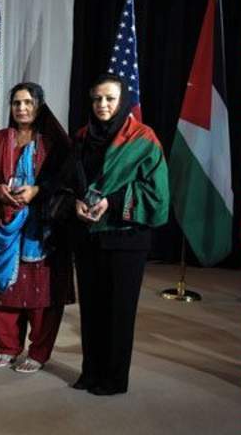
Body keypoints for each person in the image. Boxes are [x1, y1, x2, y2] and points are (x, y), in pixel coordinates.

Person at [71, 73, 169, 395]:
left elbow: (157, 194)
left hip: (125, 239)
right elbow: (70, 181)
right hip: (89, 235)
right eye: (97, 99)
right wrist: (75, 202)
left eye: (110, 98)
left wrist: (110, 202)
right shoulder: (82, 137)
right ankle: (90, 372)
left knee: (118, 311)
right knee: (91, 309)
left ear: (123, 101)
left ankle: (113, 379)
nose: (102, 104)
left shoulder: (143, 138)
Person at [0, 82, 74, 372]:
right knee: (3, 287)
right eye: (16, 103)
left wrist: (37, 191)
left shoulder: (53, 143)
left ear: (39, 106)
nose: (21, 108)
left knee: (40, 292)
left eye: (28, 102)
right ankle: (6, 347)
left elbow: (67, 181)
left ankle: (39, 352)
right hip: (4, 223)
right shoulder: (0, 139)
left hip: (42, 228)